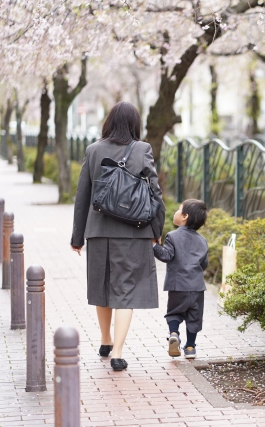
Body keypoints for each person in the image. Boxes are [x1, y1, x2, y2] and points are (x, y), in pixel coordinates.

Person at [70, 102, 165, 371]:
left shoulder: (93, 150)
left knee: (102, 286)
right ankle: (118, 353)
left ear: (109, 121)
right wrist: (157, 231)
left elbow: (82, 197)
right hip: (134, 231)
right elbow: (155, 195)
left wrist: (77, 237)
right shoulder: (142, 149)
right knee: (126, 291)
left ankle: (105, 340)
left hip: (98, 231)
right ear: (135, 123)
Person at [153, 199, 208, 359]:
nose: (175, 212)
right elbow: (204, 264)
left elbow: (166, 256)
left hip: (177, 285)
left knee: (174, 313)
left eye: (179, 209)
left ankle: (174, 333)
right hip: (197, 286)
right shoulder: (202, 241)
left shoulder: (172, 236)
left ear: (184, 217)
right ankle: (190, 347)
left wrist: (153, 246)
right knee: (194, 317)